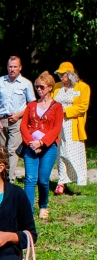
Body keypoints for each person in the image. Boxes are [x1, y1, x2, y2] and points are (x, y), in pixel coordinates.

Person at [20, 72, 63, 220]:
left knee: (43, 179)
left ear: (50, 88)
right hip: (30, 145)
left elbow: (56, 128)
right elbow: (23, 126)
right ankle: (27, 210)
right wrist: (31, 142)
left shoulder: (57, 107)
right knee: (30, 179)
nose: (39, 89)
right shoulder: (31, 105)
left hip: (48, 147)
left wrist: (42, 142)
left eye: (42, 87)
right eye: (37, 86)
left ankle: (43, 205)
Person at [0, 55, 35, 180]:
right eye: (10, 66)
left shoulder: (26, 83)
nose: (12, 69)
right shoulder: (0, 81)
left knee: (12, 150)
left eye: (15, 67)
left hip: (17, 120)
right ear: (7, 67)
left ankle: (9, 180)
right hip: (1, 119)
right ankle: (1, 176)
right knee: (1, 150)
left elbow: (31, 104)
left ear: (20, 68)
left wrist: (18, 115)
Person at [53, 62, 90, 194]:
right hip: (58, 125)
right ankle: (61, 182)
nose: (61, 76)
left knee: (73, 153)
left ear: (70, 74)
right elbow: (51, 103)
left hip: (73, 126)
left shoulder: (83, 87)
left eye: (63, 74)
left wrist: (64, 111)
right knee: (61, 153)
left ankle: (78, 179)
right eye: (59, 74)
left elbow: (83, 107)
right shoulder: (57, 87)